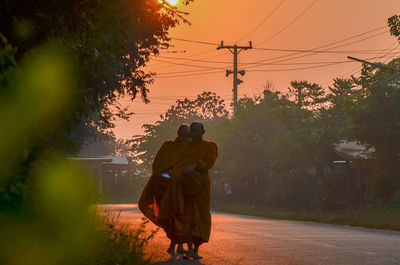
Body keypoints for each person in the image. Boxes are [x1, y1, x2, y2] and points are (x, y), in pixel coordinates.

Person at [159, 122, 218, 260]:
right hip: (186, 186)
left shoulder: (210, 146)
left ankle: (196, 249)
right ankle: (190, 248)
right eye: (192, 131)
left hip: (201, 186)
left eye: (197, 131)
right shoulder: (185, 147)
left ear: (203, 132)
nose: (194, 134)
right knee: (188, 218)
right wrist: (181, 173)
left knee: (201, 216)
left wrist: (195, 166)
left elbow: (208, 164)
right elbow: (177, 165)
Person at [138, 124, 190, 257]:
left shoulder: (188, 149)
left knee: (177, 214)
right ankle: (176, 246)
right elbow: (157, 165)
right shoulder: (168, 146)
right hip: (162, 185)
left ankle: (176, 246)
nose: (185, 137)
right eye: (183, 134)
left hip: (176, 185)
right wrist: (170, 171)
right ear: (178, 133)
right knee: (170, 215)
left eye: (187, 135)